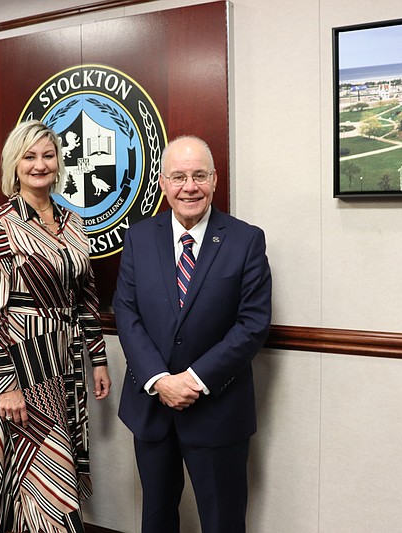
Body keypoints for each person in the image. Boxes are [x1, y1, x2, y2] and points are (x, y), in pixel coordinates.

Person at [113, 135, 272, 533]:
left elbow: (252, 324)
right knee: (156, 517)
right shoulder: (138, 237)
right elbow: (126, 311)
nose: (190, 187)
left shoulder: (245, 239)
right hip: (152, 407)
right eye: (179, 177)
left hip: (218, 410)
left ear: (215, 180)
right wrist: (158, 379)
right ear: (163, 183)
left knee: (222, 522)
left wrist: (194, 380)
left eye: (199, 175)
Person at [0, 120, 112, 533]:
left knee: (58, 461)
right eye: (29, 156)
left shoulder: (73, 221)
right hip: (26, 364)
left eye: (48, 156)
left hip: (66, 362)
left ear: (59, 163)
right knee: (37, 466)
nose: (40, 164)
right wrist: (6, 385)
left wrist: (98, 360)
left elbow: (85, 297)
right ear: (13, 165)